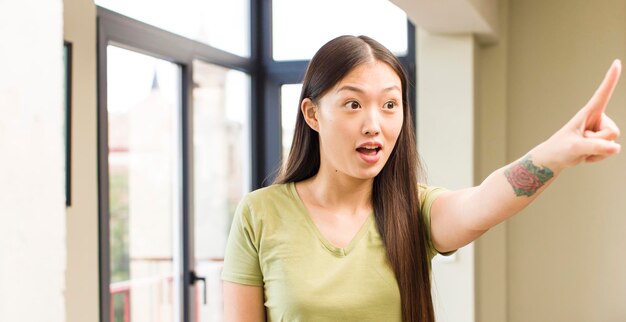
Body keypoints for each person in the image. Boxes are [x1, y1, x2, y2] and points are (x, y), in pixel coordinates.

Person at [220, 35, 622, 322]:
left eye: (390, 104)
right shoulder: (260, 214)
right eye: (353, 103)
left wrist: (556, 153)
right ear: (312, 115)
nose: (373, 124)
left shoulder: (414, 210)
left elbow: (484, 202)